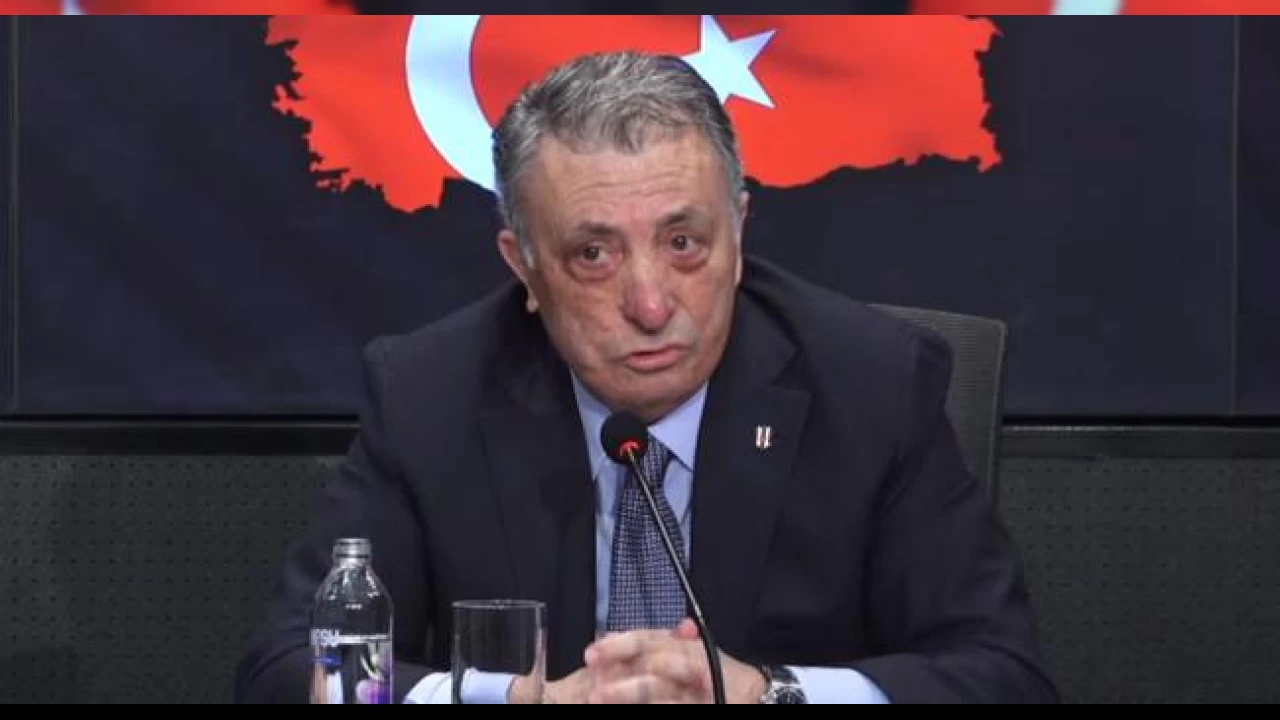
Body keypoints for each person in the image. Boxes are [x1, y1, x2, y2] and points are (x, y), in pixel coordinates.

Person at [234, 50, 1058, 704]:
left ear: (738, 231)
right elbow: (287, 671)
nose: (653, 304)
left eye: (684, 243)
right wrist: (514, 701)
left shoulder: (873, 384)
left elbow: (1002, 676)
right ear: (523, 265)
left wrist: (770, 695)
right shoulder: (428, 394)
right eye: (594, 254)